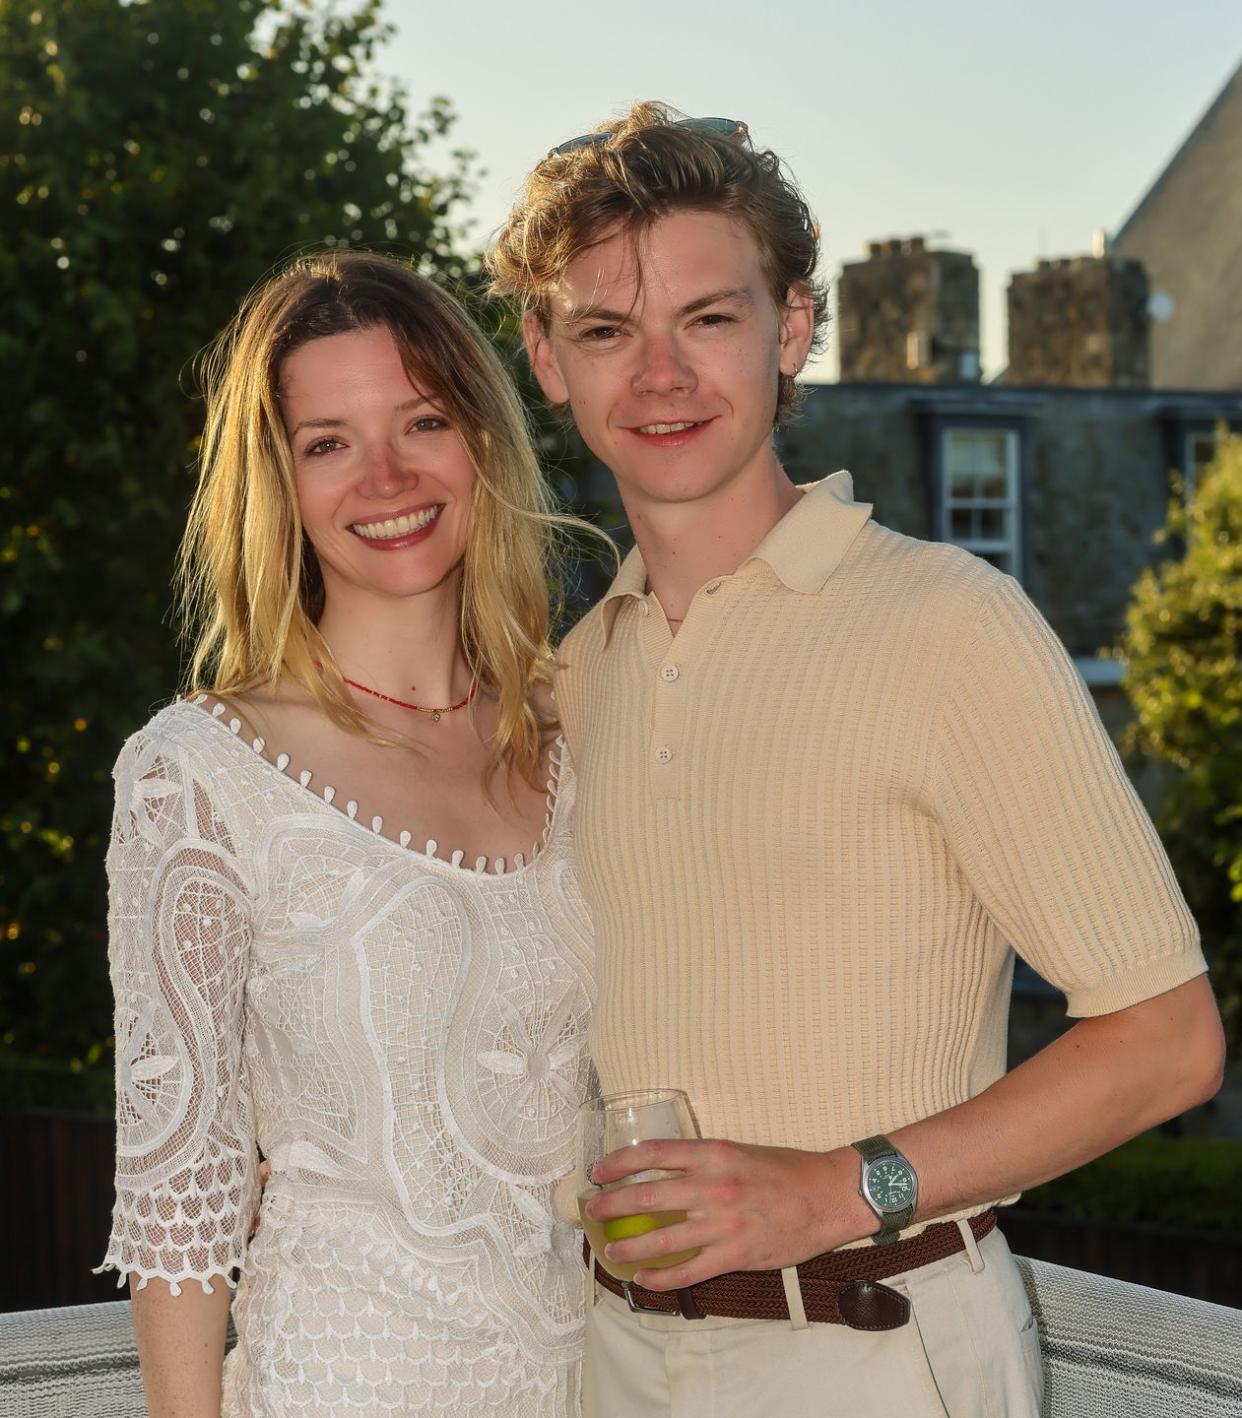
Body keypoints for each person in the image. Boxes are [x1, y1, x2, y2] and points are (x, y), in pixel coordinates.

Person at [487, 103, 1227, 1417]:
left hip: (876, 1350)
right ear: (546, 355)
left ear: (789, 330)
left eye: (707, 319)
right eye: (607, 329)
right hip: (602, 1362)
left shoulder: (948, 622)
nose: (657, 374)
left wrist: (832, 1187)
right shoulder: (568, 676)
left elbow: (1165, 1042)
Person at [96, 250, 599, 1417]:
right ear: (281, 481)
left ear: (481, 439)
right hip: (344, 1382)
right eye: (328, 441)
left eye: (422, 419)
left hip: (592, 1382)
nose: (386, 474)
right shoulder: (201, 772)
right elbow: (184, 1181)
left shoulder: (573, 733)